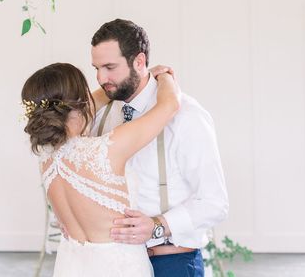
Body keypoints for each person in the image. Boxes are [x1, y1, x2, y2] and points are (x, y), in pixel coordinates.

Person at [91, 19, 229, 277]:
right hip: (115, 263)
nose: (101, 78)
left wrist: (158, 226)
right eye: (97, 68)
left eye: (110, 67)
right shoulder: (103, 114)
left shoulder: (187, 116)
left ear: (139, 62)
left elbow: (215, 202)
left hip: (171, 263)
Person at [21, 61, 180, 276]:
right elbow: (169, 106)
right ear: (80, 102)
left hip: (71, 264)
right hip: (117, 267)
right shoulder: (107, 149)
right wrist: (164, 77)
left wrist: (142, 77)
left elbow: (83, 106)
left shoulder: (46, 157)